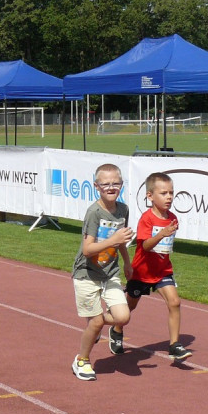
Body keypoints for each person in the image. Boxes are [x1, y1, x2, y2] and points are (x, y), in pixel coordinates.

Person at [113, 172, 192, 362]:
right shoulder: (146, 219)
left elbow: (166, 247)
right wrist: (162, 234)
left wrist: (166, 236)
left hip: (162, 271)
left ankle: (174, 345)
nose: (169, 197)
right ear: (150, 196)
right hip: (141, 272)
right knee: (130, 306)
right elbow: (145, 246)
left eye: (171, 193)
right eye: (164, 193)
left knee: (174, 302)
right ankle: (116, 330)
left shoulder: (172, 217)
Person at [70, 163, 134, 381]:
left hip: (111, 273)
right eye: (105, 184)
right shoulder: (94, 213)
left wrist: (127, 262)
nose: (111, 187)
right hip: (86, 274)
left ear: (122, 185)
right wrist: (112, 240)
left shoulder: (123, 209)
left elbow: (122, 240)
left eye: (115, 183)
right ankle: (82, 360)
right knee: (96, 322)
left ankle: (94, 329)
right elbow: (87, 249)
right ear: (97, 186)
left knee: (123, 317)